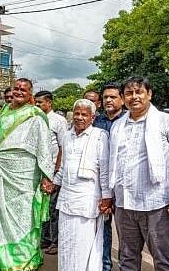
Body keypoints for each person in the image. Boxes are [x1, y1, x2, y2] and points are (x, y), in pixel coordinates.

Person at [109, 76, 169, 271]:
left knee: (164, 260)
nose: (134, 97)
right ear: (123, 97)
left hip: (158, 203)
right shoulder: (118, 126)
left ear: (149, 94)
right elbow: (112, 162)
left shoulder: (167, 122)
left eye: (139, 92)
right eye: (129, 93)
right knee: (127, 259)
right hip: (124, 203)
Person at [0, 78, 55, 271]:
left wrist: (47, 176)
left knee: (23, 217)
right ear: (12, 91)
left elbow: (44, 147)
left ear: (30, 93)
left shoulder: (35, 114)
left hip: (25, 174)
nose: (19, 91)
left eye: (24, 89)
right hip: (0, 171)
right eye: (17, 88)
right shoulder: (4, 111)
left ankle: (22, 259)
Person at [53, 99, 112, 271]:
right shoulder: (66, 136)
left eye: (84, 114)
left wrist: (107, 197)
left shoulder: (100, 136)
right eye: (77, 113)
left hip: (87, 199)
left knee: (83, 244)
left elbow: (105, 169)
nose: (79, 117)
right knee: (66, 242)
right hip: (66, 199)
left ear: (92, 117)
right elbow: (63, 167)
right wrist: (54, 184)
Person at [92, 83, 126, 271]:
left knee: (126, 233)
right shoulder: (97, 121)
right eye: (105, 97)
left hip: (122, 182)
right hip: (102, 183)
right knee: (103, 227)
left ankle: (125, 265)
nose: (108, 100)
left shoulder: (129, 120)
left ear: (121, 99)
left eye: (113, 97)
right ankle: (105, 265)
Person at [34, 90, 67, 256]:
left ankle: (55, 241)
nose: (38, 105)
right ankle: (44, 238)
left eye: (40, 102)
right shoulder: (35, 119)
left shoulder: (59, 121)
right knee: (41, 206)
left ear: (49, 103)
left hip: (53, 170)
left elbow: (63, 146)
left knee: (53, 208)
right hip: (38, 170)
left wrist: (56, 170)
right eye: (36, 102)